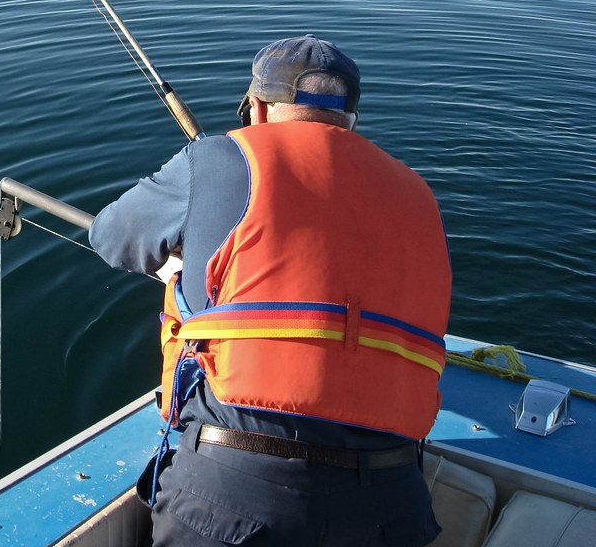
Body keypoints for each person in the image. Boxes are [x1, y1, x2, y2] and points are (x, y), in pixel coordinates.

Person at [89, 36, 451, 546]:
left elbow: (111, 237)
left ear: (255, 108)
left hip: (234, 490)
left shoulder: (217, 157)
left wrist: (184, 261)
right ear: (351, 119)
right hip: (394, 503)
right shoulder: (419, 193)